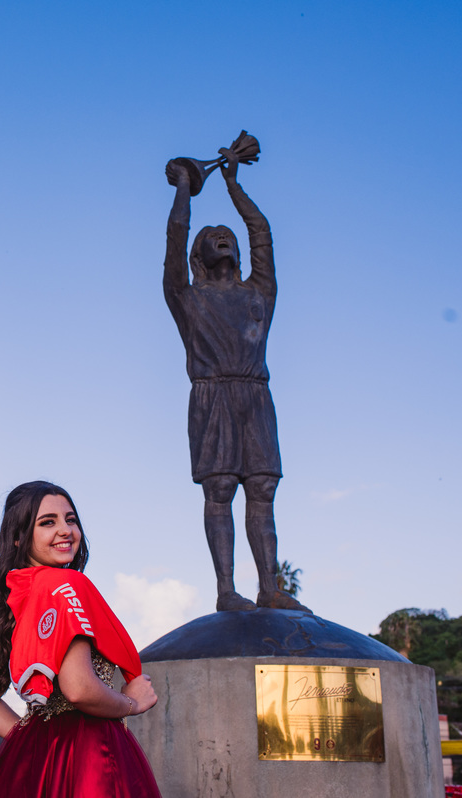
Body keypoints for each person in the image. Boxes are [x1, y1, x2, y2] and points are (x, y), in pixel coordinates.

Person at [163, 147, 310, 614]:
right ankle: (227, 590)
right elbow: (175, 235)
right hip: (212, 395)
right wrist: (186, 189)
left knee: (263, 489)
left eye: (228, 235)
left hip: (254, 394)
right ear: (200, 255)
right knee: (220, 489)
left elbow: (262, 232)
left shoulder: (259, 293)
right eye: (213, 236)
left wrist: (232, 183)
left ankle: (270, 586)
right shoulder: (186, 297)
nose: (223, 237)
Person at [0, 481, 162, 797]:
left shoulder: (22, 595)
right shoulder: (63, 586)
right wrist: (131, 702)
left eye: (70, 519)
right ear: (18, 538)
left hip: (41, 762)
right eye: (47, 523)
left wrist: (36, 744)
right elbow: (80, 689)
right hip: (89, 755)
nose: (65, 530)